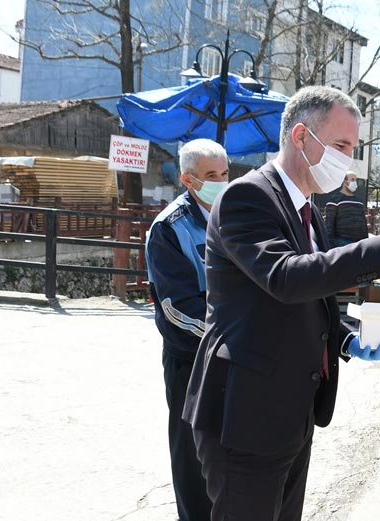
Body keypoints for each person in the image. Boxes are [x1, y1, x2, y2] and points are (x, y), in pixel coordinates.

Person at [182, 86, 380, 521]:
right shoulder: (246, 198)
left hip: (290, 412)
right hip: (245, 416)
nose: (349, 158)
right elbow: (287, 278)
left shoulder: (306, 206)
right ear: (301, 136)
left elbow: (310, 299)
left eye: (353, 147)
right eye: (342, 145)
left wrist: (346, 341)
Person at [145, 138, 229, 521]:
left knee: (230, 460)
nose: (221, 181)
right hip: (191, 361)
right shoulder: (168, 229)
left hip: (235, 356)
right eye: (211, 175)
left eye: (225, 173)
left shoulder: (237, 214)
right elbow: (176, 308)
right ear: (188, 179)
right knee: (194, 467)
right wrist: (226, 335)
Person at [323, 170, 369, 248]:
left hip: (359, 244)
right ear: (344, 182)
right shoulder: (334, 200)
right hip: (341, 244)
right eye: (352, 180)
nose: (355, 183)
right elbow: (329, 226)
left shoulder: (360, 202)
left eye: (356, 180)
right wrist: (330, 246)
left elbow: (364, 224)